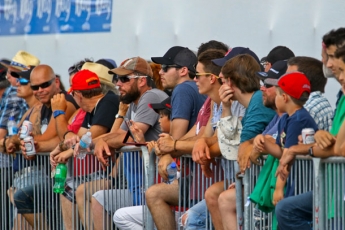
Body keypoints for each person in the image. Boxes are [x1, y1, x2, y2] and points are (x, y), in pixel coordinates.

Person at [196, 52, 275, 230]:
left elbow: (236, 151)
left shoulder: (257, 103)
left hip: (271, 183)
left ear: (230, 82)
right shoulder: (253, 102)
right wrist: (225, 108)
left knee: (224, 199)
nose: (219, 85)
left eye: (222, 81)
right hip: (261, 180)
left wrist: (225, 108)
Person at [91, 56, 168, 230]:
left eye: (124, 79)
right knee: (99, 199)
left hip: (155, 186)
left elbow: (128, 138)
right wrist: (93, 142)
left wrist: (102, 140)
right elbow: (118, 134)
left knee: (121, 216)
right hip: (139, 186)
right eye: (117, 79)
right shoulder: (134, 103)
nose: (118, 84)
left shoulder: (151, 96)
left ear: (141, 81)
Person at [274, 42, 345, 230]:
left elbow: (339, 147)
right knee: (286, 210)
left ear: (286, 97)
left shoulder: (300, 116)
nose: (327, 63)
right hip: (331, 188)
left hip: (332, 188)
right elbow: (283, 149)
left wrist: (279, 187)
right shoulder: (287, 117)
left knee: (286, 210)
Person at [50, 66, 120, 230]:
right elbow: (74, 138)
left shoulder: (108, 101)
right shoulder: (92, 108)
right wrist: (62, 147)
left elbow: (93, 136)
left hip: (118, 173)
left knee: (70, 188)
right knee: (68, 187)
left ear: (78, 95)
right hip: (107, 169)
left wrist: (59, 112)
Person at [113, 97, 172, 230]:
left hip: (178, 208)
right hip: (164, 205)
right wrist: (142, 141)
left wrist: (159, 155)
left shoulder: (174, 144)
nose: (158, 120)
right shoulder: (164, 141)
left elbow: (170, 175)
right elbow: (156, 170)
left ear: (173, 118)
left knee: (121, 216)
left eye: (162, 116)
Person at [151, 46, 207, 140]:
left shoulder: (182, 89)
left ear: (183, 70)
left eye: (165, 67)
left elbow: (175, 139)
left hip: (191, 153)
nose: (160, 72)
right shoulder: (199, 88)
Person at [286, 57, 333, 131]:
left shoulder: (307, 108)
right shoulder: (318, 100)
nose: (285, 80)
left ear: (305, 80)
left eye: (290, 77)